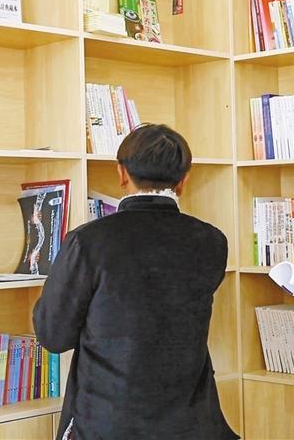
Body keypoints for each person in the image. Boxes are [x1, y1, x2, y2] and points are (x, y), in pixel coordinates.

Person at [33, 124, 238, 440]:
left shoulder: (88, 242)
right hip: (193, 424)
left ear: (121, 173)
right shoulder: (212, 241)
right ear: (183, 180)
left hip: (108, 424)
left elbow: (53, 336)